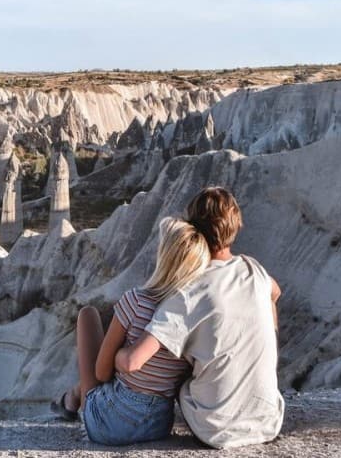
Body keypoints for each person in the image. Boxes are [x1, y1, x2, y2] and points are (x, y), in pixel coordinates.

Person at [122, 186, 284, 449]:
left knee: (179, 366)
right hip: (268, 419)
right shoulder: (253, 268)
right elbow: (275, 293)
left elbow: (133, 361)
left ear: (192, 231)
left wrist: (118, 356)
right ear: (238, 225)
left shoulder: (189, 291)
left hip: (215, 429)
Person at [53, 217, 210, 445]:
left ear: (163, 257)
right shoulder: (192, 315)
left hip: (109, 424)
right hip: (158, 423)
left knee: (87, 315)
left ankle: (73, 398)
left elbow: (101, 373)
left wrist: (120, 361)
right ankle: (73, 394)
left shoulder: (136, 301)